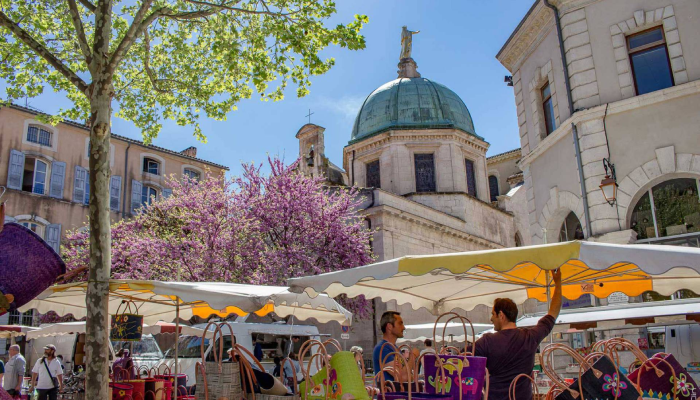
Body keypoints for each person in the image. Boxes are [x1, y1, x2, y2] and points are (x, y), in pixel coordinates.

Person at [474, 269, 562, 400]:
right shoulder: (530, 337)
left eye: (493, 314)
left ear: (501, 315)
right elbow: (553, 313)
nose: (491, 319)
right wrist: (558, 282)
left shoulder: (486, 341)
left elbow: (463, 360)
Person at [373, 311, 411, 384]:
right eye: (400, 323)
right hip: (388, 394)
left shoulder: (395, 348)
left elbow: (408, 376)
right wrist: (413, 357)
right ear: (389, 326)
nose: (403, 327)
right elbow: (403, 377)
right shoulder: (382, 348)